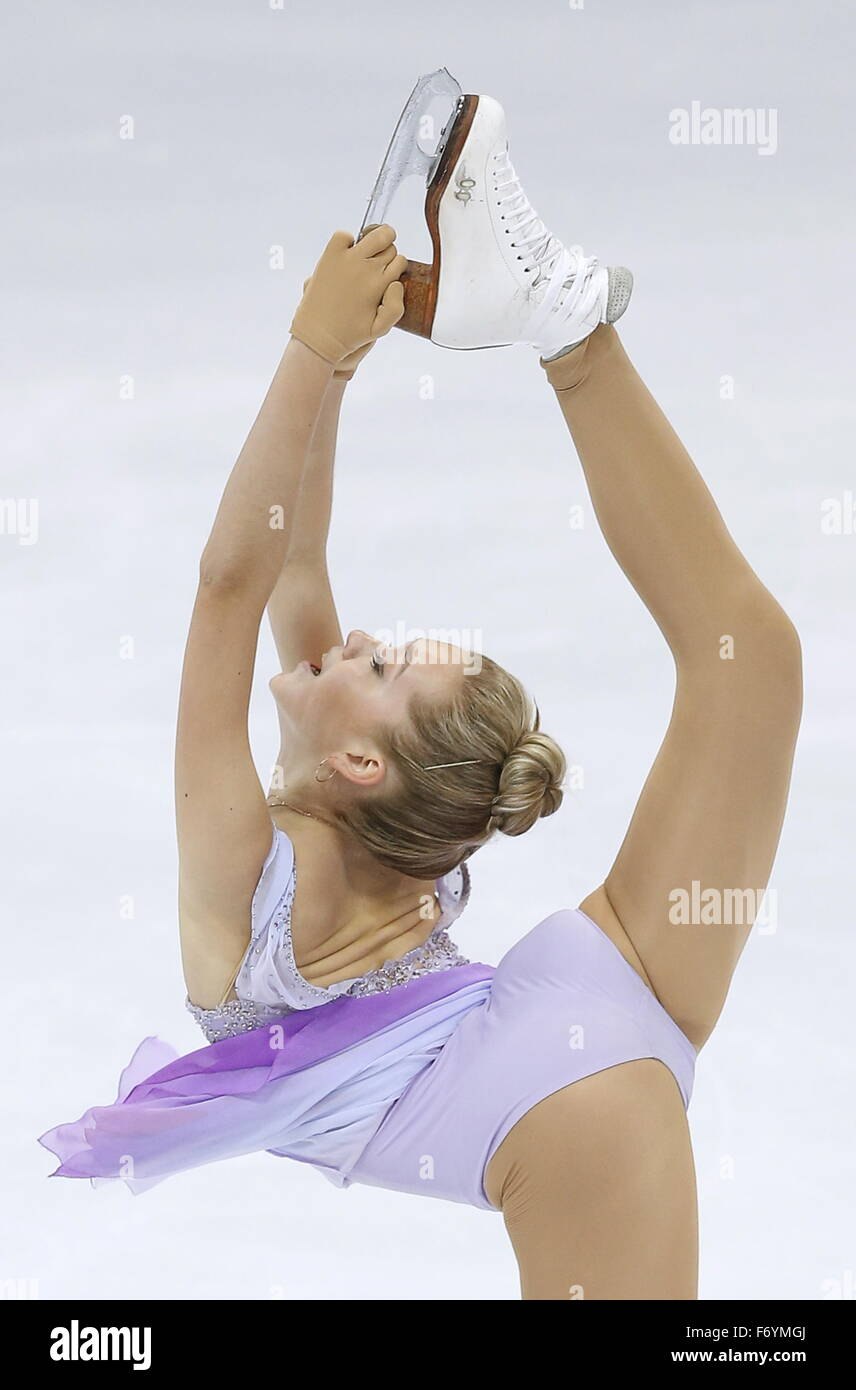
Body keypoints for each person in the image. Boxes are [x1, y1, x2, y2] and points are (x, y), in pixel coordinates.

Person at [39, 218, 802, 1301]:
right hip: (577, 1018)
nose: (352, 640)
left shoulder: (261, 861)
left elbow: (253, 571)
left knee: (752, 660)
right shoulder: (307, 828)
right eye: (387, 655)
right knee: (749, 661)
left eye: (383, 661)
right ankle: (566, 335)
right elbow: (273, 564)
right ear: (357, 763)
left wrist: (325, 356)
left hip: (553, 1073)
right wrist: (325, 354)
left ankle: (565, 326)